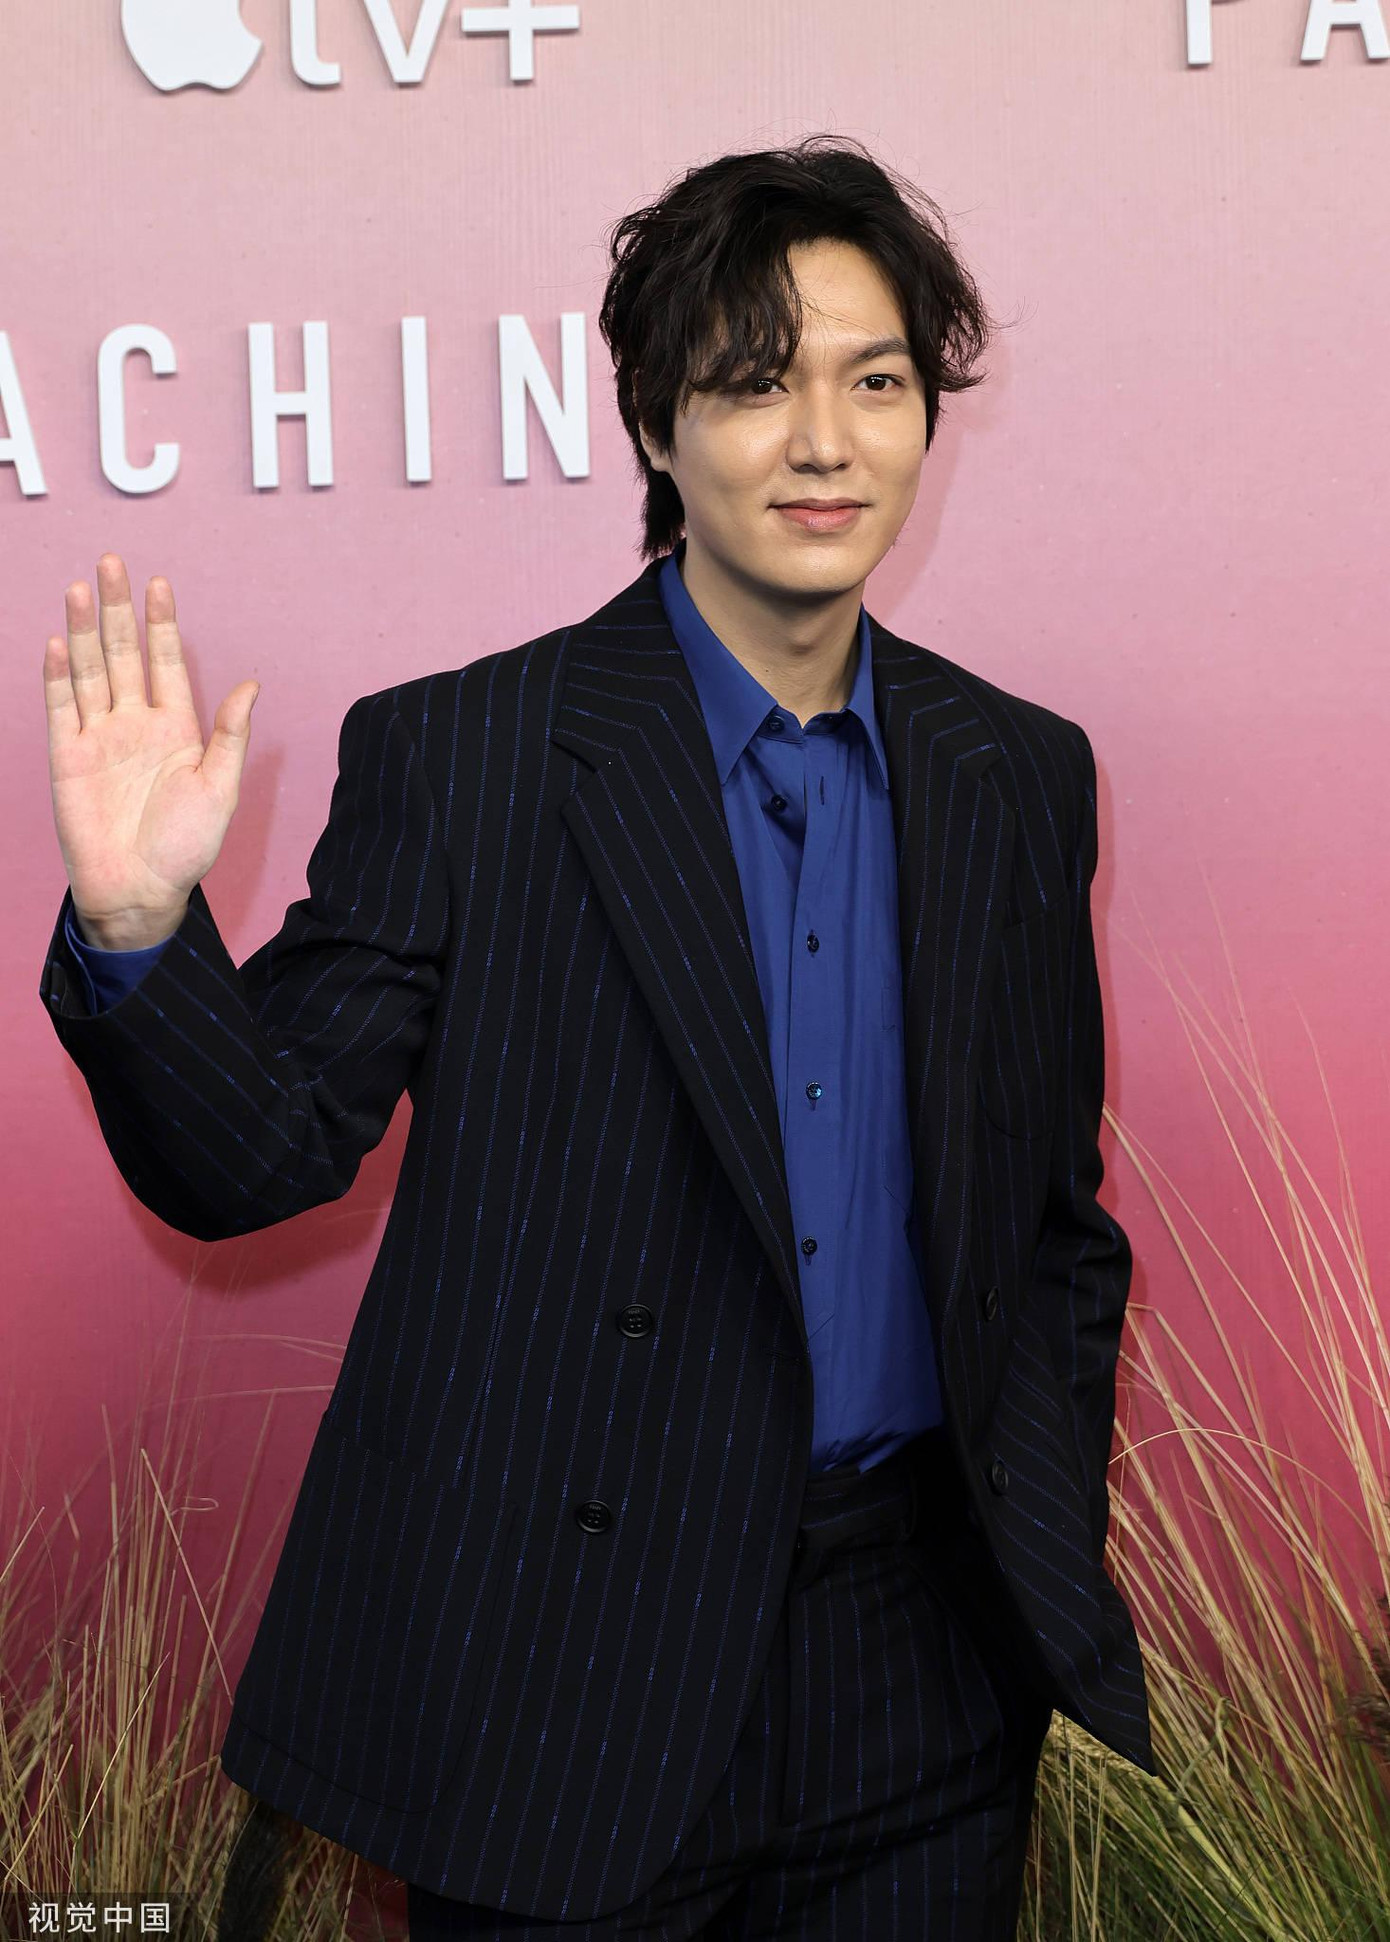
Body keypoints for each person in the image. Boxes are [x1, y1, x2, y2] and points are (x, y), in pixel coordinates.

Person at [39, 134, 1153, 1941]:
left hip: (923, 1671)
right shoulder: (468, 756)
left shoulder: (1015, 772)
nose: (822, 440)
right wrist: (138, 928)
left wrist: (1022, 1534)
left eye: (873, 382)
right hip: (564, 1670)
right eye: (753, 382)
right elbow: (258, 1155)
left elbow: (1050, 1223)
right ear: (652, 424)